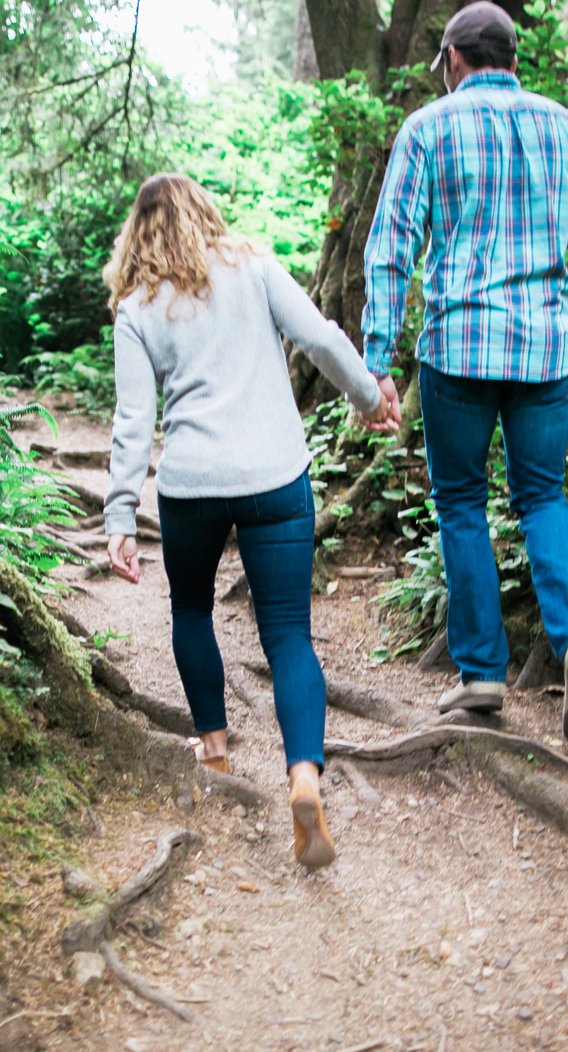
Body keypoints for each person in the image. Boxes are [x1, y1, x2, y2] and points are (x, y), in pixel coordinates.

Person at [102, 173, 400, 870]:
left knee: (191, 611)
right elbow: (321, 339)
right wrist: (366, 396)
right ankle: (303, 775)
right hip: (275, 477)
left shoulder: (137, 308)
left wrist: (119, 512)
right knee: (290, 634)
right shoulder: (254, 267)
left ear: (137, 234)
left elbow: (132, 423)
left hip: (193, 486)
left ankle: (213, 747)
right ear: (206, 213)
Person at [360, 1, 568, 740]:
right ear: (513, 60)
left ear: (452, 60)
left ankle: (480, 675)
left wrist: (378, 360)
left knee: (462, 503)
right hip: (544, 351)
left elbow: (390, 247)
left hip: (460, 347)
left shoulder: (429, 128)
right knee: (542, 497)